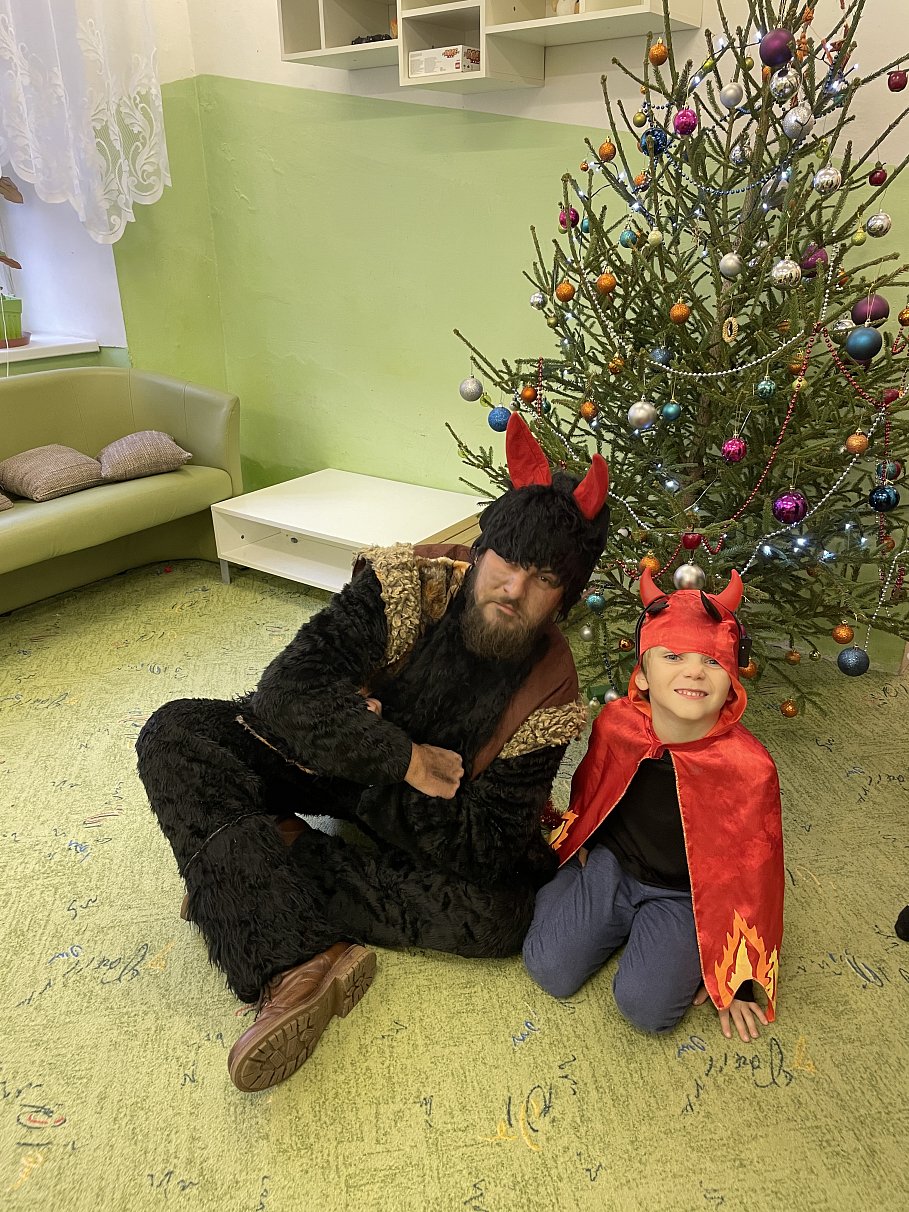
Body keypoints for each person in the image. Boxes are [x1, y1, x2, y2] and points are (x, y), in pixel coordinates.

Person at [136, 414, 610, 1092]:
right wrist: (402, 757)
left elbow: (486, 845)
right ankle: (296, 961)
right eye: (507, 562)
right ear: (481, 552)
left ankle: (263, 869)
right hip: (335, 761)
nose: (514, 590)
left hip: (407, 810)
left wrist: (372, 766)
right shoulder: (408, 583)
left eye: (544, 579)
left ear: (565, 596)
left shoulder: (551, 694)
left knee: (504, 913)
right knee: (176, 733)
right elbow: (284, 695)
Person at [523, 568, 784, 1044]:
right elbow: (594, 786)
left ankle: (654, 937)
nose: (694, 671)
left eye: (712, 661)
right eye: (673, 655)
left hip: (687, 896)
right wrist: (583, 843)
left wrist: (737, 977)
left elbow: (756, 875)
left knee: (647, 1009)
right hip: (614, 865)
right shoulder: (617, 724)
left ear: (732, 680)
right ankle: (568, 886)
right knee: (549, 968)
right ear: (642, 675)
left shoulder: (749, 768)